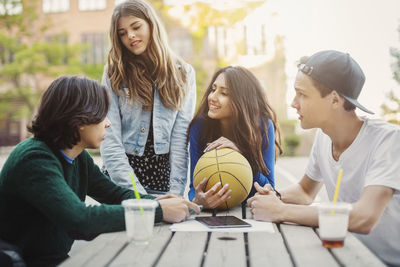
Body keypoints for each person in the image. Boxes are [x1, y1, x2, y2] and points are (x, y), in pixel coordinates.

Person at [0, 76, 200, 267]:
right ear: (80, 121)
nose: (108, 122)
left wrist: (163, 202)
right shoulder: (35, 159)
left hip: (56, 260)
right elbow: (80, 220)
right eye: (103, 115)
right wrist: (158, 211)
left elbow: (115, 194)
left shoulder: (77, 156)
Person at [247, 50, 400, 266]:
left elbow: (364, 217)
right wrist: (271, 196)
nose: (293, 103)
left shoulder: (389, 141)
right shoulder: (323, 138)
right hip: (345, 255)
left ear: (335, 99)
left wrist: (281, 211)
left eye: (302, 94)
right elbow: (304, 192)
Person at [100, 0, 196, 196]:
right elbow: (109, 138)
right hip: (120, 186)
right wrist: (137, 194)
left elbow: (180, 139)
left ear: (152, 24)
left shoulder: (184, 73)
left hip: (163, 186)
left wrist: (176, 193)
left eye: (136, 27)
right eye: (122, 33)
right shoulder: (114, 73)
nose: (130, 36)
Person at [188, 66, 282, 209]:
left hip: (248, 211)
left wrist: (243, 157)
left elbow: (268, 188)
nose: (212, 97)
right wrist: (198, 201)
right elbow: (194, 187)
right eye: (213, 89)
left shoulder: (262, 126)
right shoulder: (199, 126)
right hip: (212, 213)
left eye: (224, 93)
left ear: (242, 100)